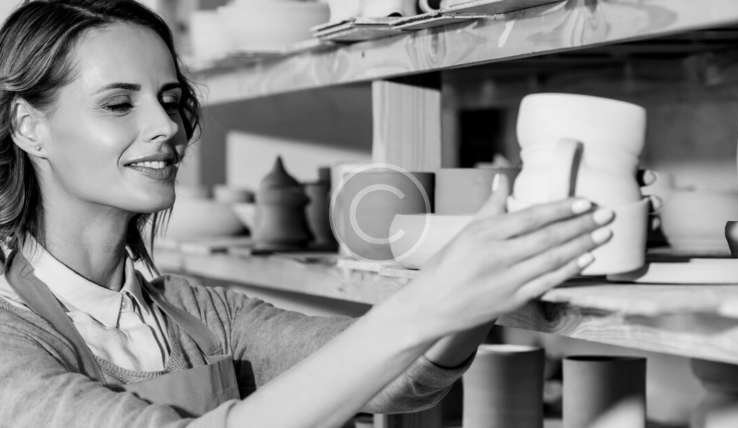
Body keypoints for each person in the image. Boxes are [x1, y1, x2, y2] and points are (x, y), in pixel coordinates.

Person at [0, 1, 615, 427]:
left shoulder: (199, 314)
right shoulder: (12, 339)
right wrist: (433, 299)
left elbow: (402, 381)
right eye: (117, 104)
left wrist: (481, 285)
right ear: (29, 127)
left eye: (171, 100)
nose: (167, 127)